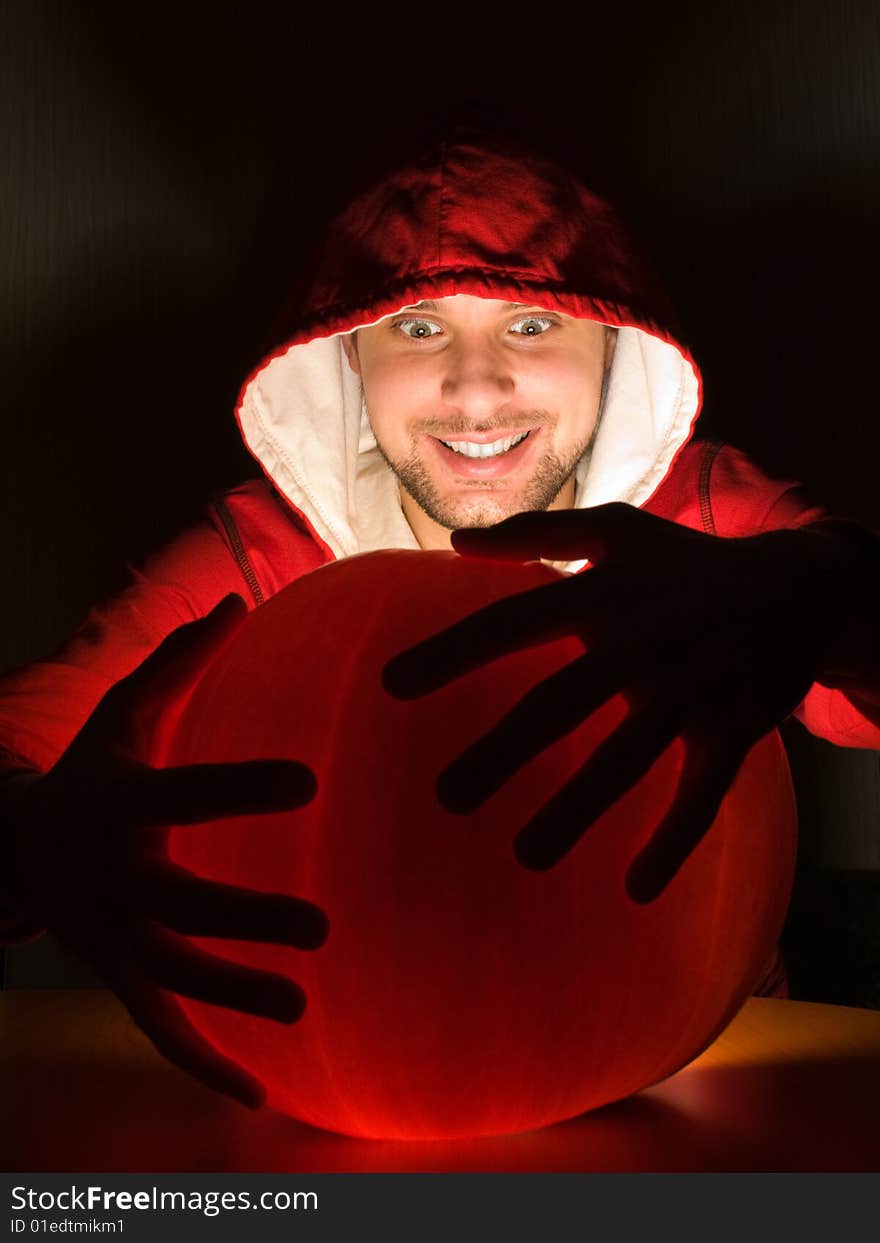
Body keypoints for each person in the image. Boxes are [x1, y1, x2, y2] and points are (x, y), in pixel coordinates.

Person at [3, 130, 879, 1110]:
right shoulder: (254, 560)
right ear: (349, 363)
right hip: (339, 1082)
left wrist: (829, 592)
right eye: (418, 329)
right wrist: (32, 842)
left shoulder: (705, 525)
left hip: (696, 1070)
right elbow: (22, 743)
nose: (473, 387)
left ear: (612, 353)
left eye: (532, 326)